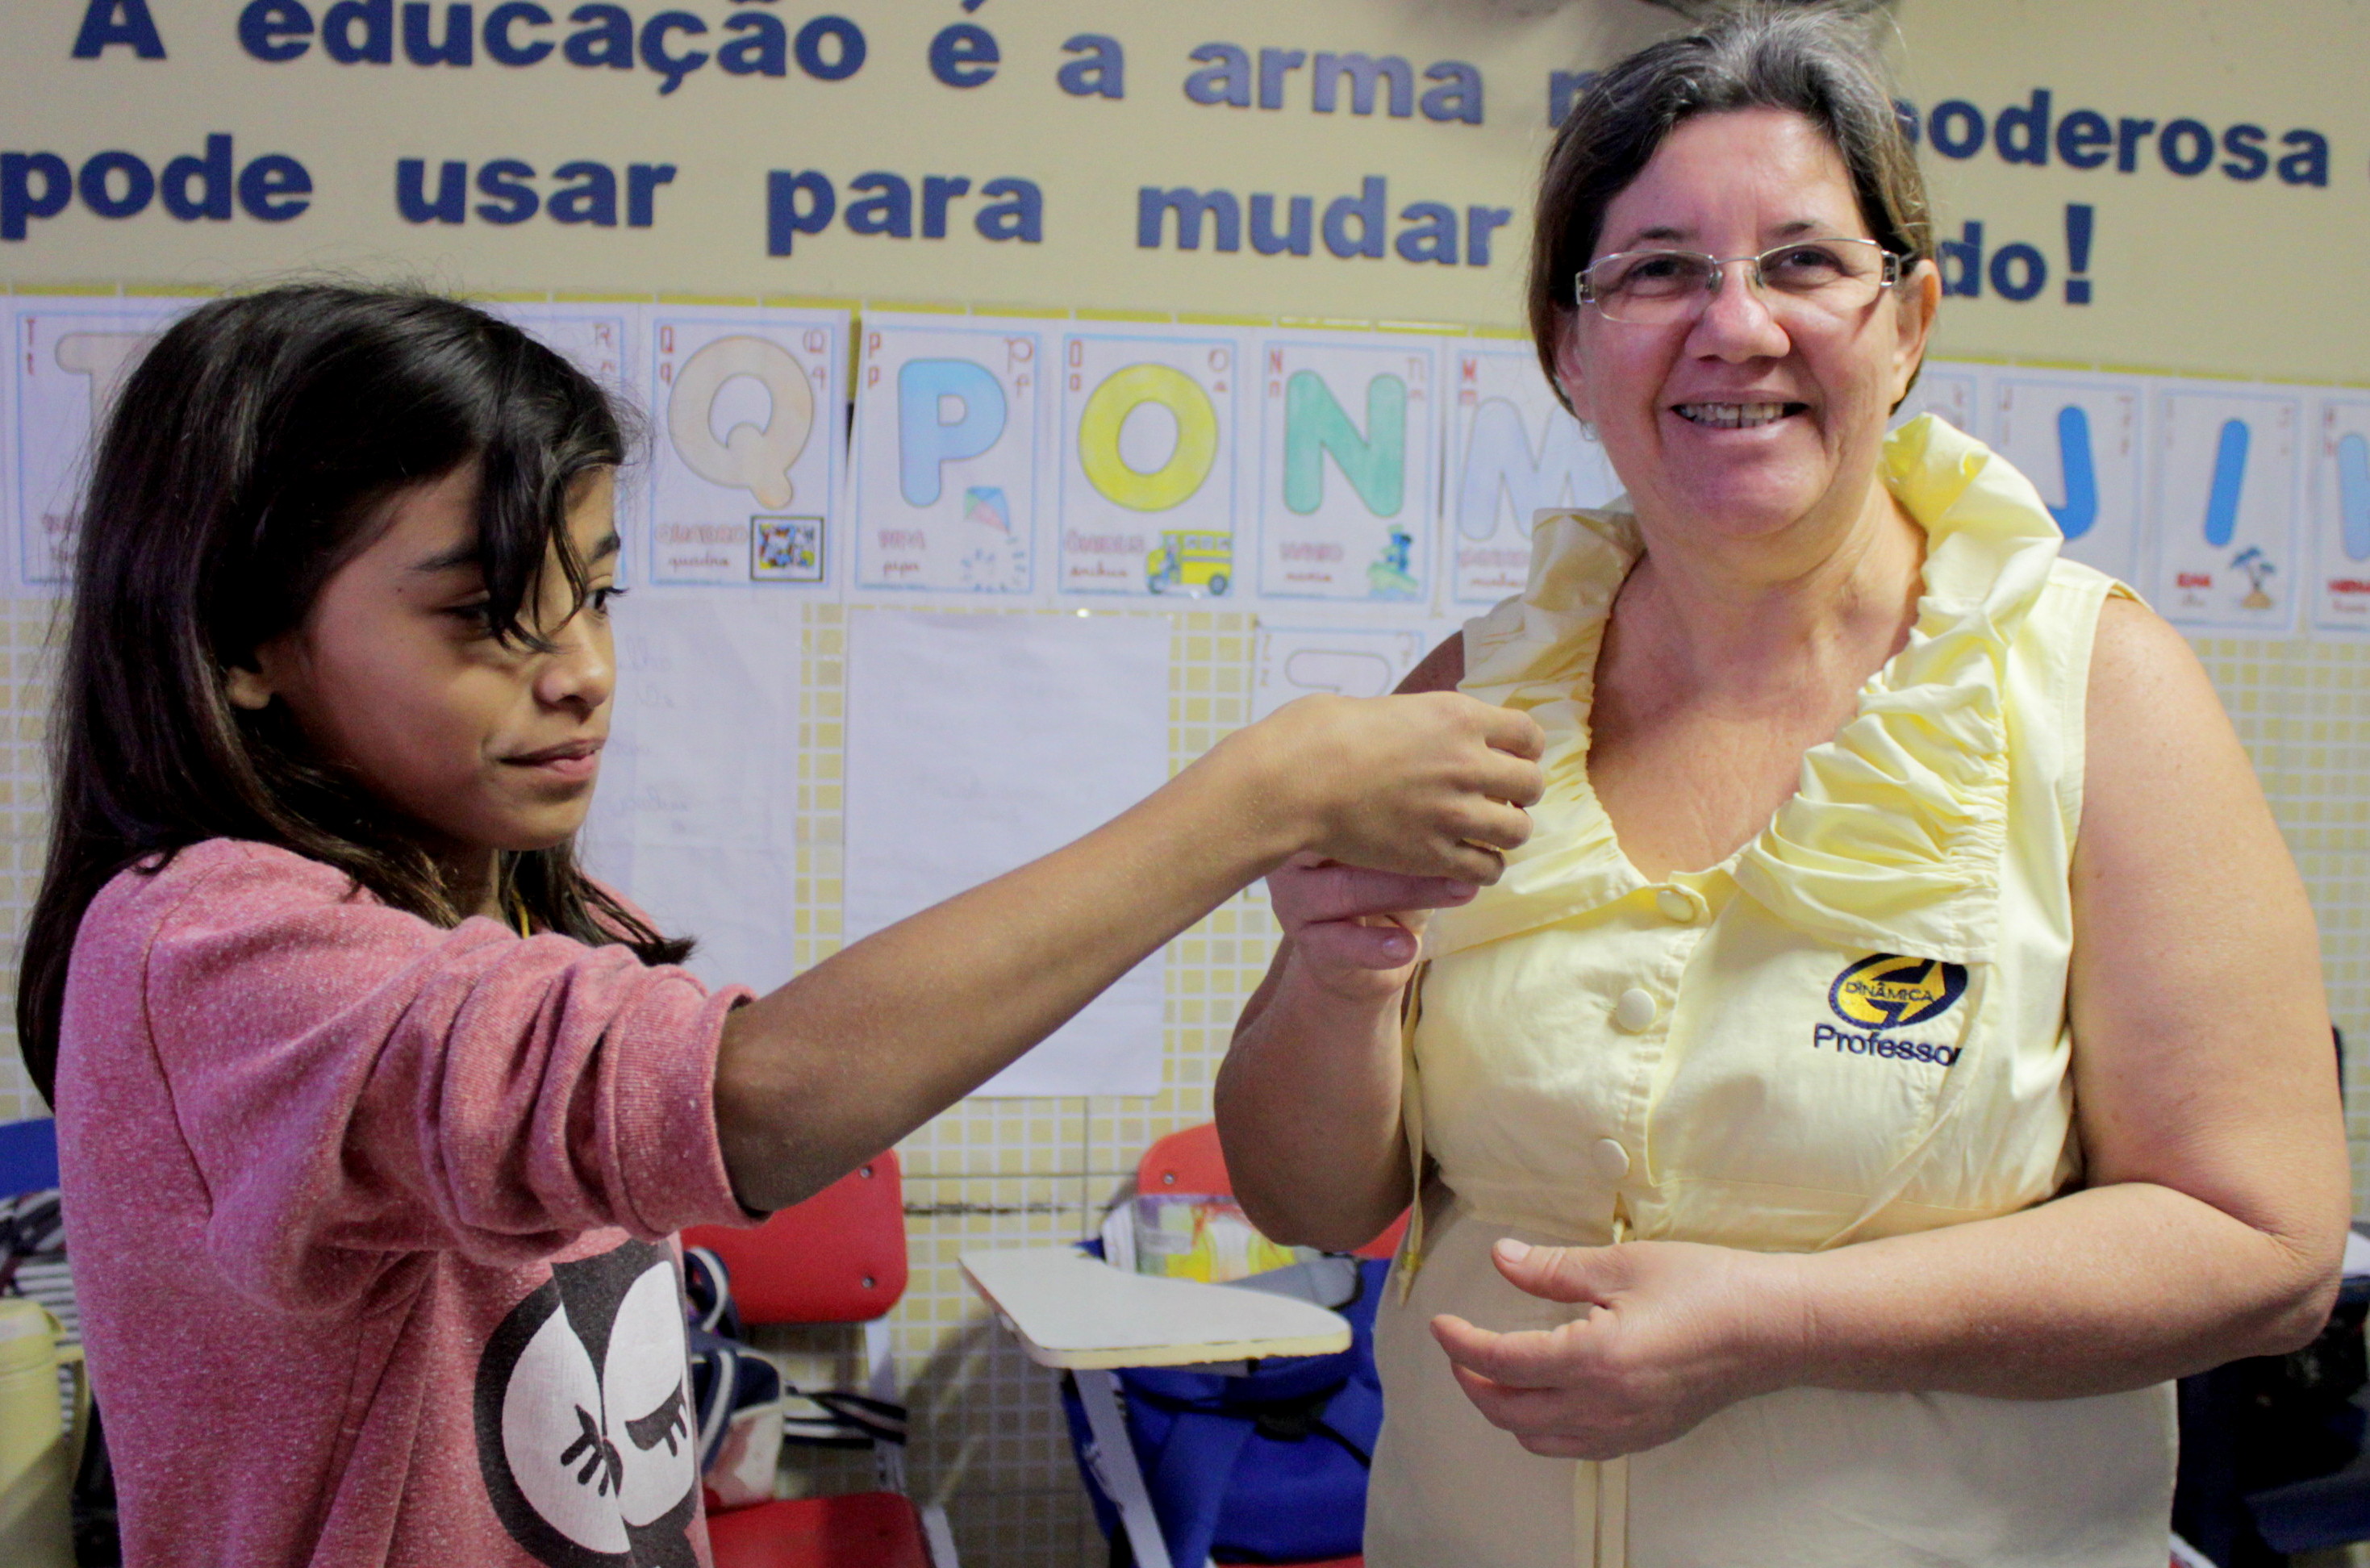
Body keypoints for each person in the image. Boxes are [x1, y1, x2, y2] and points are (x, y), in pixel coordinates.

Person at [17, 285, 1546, 1568]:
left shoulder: (527, 911)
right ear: (244, 646)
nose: (581, 669)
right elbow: (752, 1104)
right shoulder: (208, 945)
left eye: (596, 595)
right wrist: (1257, 794)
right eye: (484, 615)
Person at [1214, 9, 2348, 1566]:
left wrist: (1785, 1322)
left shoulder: (2095, 687)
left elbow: (2264, 1245)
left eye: (1803, 263)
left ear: (1907, 321)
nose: (1734, 325)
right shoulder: (1472, 696)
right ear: (1567, 346)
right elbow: (1311, 1202)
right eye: (1656, 270)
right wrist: (1338, 985)